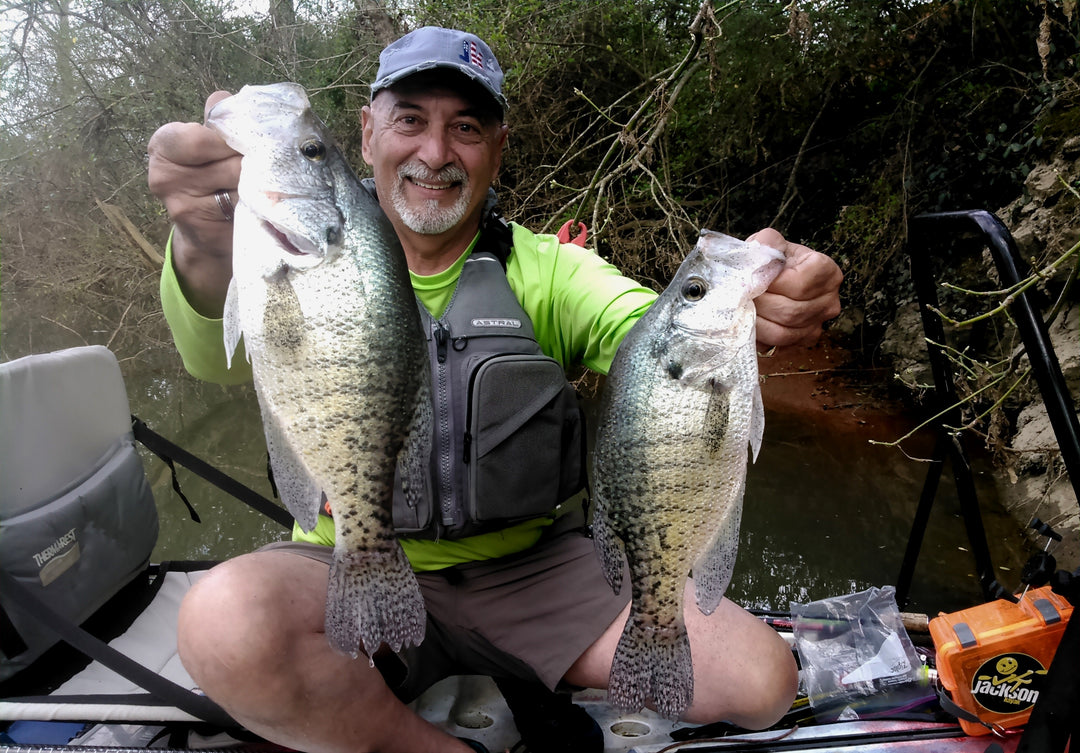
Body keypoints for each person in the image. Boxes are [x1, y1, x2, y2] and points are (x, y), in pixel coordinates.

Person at [148, 26, 842, 753]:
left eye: (467, 128)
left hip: (533, 573)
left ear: (498, 147)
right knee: (220, 623)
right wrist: (199, 237)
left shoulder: (549, 271)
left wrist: (765, 293)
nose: (436, 153)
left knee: (764, 682)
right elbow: (212, 359)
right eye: (410, 119)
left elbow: (658, 344)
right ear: (365, 132)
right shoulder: (275, 248)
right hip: (344, 555)